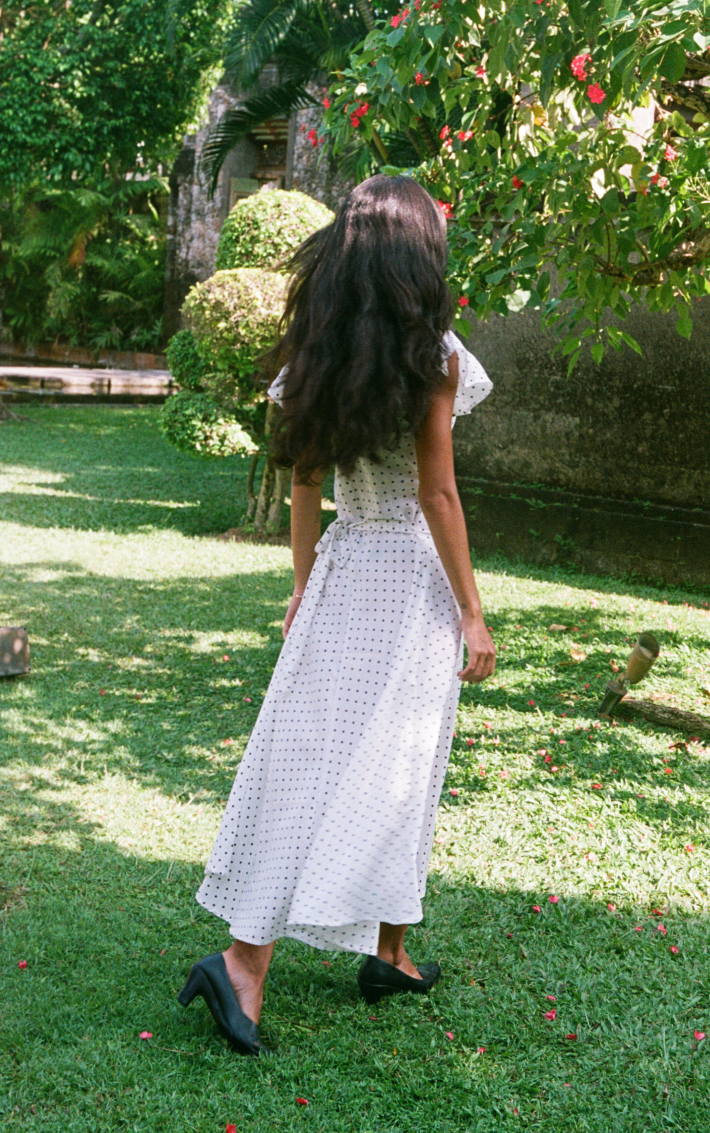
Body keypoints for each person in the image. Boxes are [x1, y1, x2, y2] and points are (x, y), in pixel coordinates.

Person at [178, 175, 496, 1055]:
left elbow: (305, 487)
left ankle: (387, 953)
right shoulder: (433, 355)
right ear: (413, 255)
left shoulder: (315, 349)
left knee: (344, 761)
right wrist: (472, 613)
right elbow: (437, 492)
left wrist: (304, 589)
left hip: (343, 571)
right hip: (408, 585)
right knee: (389, 763)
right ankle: (243, 965)